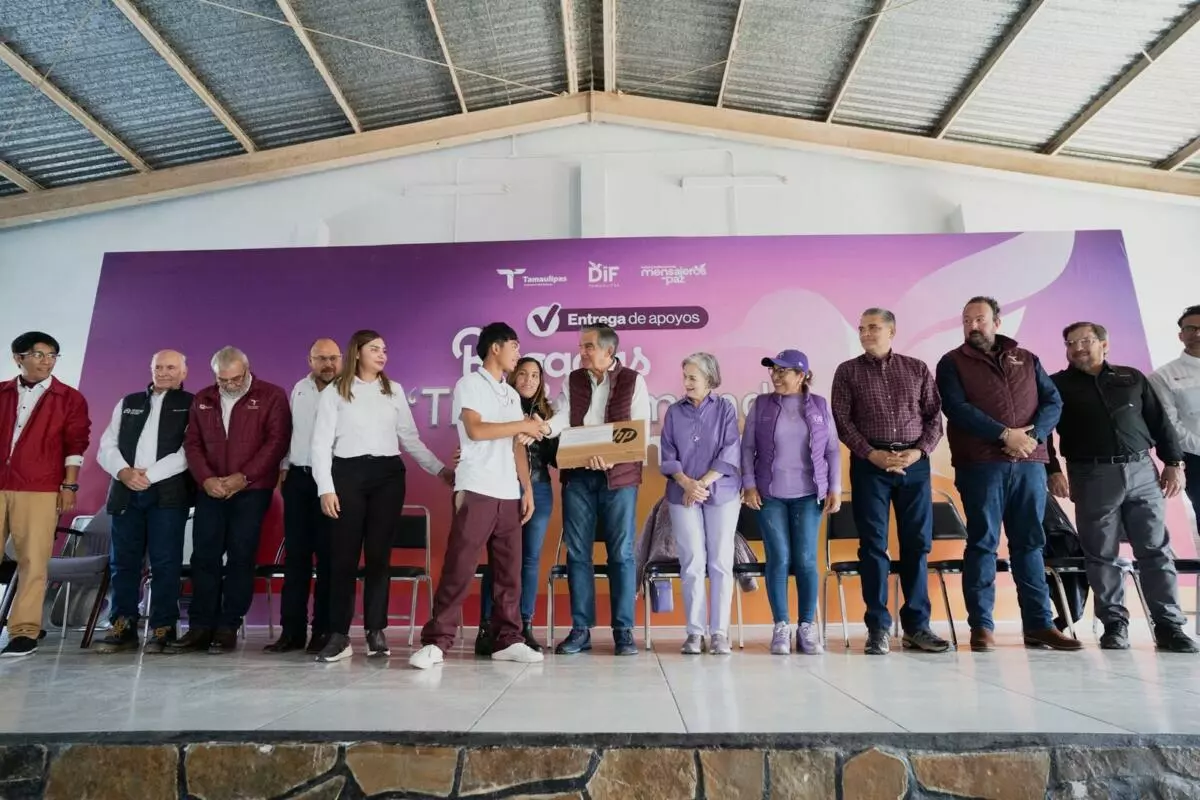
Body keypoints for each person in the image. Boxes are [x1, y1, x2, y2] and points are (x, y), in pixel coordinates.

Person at [934, 297, 1079, 652]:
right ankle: (981, 627)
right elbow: (956, 407)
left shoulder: (1027, 359)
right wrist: (1004, 435)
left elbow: (1053, 402)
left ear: (997, 322)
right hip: (980, 464)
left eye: (979, 319)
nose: (972, 325)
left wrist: (1032, 437)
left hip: (1029, 464)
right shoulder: (952, 362)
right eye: (967, 320)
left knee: (1030, 543)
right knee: (983, 543)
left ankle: (1039, 624)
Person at [1047, 321, 1196, 653]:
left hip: (1142, 470)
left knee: (1155, 548)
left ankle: (1169, 625)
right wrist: (1052, 470)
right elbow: (1042, 432)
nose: (1077, 348)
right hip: (1091, 473)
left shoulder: (1131, 378)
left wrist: (1173, 462)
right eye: (1070, 343)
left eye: (1085, 341)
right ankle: (1114, 625)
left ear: (1104, 344)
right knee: (1101, 553)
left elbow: (1160, 422)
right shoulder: (1056, 385)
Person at [410, 323, 547, 669]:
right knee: (460, 567)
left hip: (508, 492)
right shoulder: (469, 384)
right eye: (514, 346)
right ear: (495, 348)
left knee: (509, 573)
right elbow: (475, 429)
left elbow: (517, 446)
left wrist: (526, 488)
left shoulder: (511, 395)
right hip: (477, 488)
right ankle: (437, 643)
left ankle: (508, 639)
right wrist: (523, 425)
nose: (518, 353)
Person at [312, 330, 453, 663]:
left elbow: (409, 437)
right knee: (343, 557)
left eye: (384, 350)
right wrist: (326, 488)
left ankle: (376, 630)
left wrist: (440, 469)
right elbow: (320, 443)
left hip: (387, 476)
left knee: (379, 557)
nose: (382, 355)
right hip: (346, 474)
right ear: (357, 352)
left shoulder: (394, 390)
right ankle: (339, 635)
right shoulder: (335, 391)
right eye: (374, 349)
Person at [831, 308, 948, 656]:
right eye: (862, 328)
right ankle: (878, 628)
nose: (866, 333)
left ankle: (917, 626)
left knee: (917, 544)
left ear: (892, 331)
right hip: (870, 466)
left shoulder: (916, 369)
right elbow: (843, 421)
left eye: (874, 327)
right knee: (873, 545)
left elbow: (934, 418)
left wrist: (918, 452)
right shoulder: (848, 371)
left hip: (914, 465)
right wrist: (872, 454)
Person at [170, 347, 290, 654]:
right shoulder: (203, 398)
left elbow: (276, 443)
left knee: (241, 557)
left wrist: (243, 477)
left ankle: (227, 626)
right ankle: (200, 626)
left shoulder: (272, 396)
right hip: (211, 490)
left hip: (252, 490)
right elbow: (192, 444)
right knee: (204, 557)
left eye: (235, 379)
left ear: (247, 370)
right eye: (223, 380)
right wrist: (206, 479)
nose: (230, 385)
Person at [545, 324, 652, 656]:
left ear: (609, 351)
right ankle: (581, 629)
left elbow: (639, 431)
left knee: (621, 553)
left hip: (618, 478)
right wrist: (543, 427)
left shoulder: (633, 381)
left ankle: (623, 631)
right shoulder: (574, 380)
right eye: (581, 346)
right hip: (578, 476)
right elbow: (563, 416)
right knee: (578, 552)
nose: (582, 352)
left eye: (589, 347)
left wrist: (610, 456)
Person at [743, 349, 841, 656]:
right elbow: (746, 448)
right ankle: (781, 626)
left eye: (782, 371)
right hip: (769, 494)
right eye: (773, 370)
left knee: (807, 559)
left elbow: (832, 450)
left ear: (801, 375)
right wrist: (749, 484)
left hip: (809, 495)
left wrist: (835, 487)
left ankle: (807, 626)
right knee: (779, 558)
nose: (775, 376)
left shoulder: (819, 405)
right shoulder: (761, 404)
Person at [95, 350, 194, 654]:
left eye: (171, 367)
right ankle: (122, 625)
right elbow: (107, 445)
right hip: (126, 491)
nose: (163, 372)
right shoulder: (129, 402)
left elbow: (189, 451)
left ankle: (163, 627)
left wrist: (148, 476)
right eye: (158, 367)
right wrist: (124, 472)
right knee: (123, 562)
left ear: (184, 372)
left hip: (168, 494)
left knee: (165, 563)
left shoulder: (192, 404)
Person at [0, 332, 89, 658]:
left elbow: (75, 444)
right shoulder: (2, 392)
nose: (47, 361)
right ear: (18, 358)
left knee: (33, 561)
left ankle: (24, 631)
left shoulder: (69, 398)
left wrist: (69, 485)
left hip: (39, 488)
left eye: (52, 355)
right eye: (39, 354)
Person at [475, 356, 558, 655]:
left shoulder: (548, 413)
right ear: (513, 376)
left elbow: (555, 459)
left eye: (535, 375)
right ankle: (488, 626)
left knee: (530, 560)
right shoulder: (500, 405)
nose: (528, 380)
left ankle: (524, 625)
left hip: (540, 488)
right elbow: (479, 440)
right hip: (502, 487)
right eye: (523, 373)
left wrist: (542, 431)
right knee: (499, 558)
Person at [659, 353, 741, 655]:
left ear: (709, 379)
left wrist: (701, 484)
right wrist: (687, 483)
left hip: (721, 492)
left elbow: (730, 449)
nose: (687, 382)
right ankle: (695, 632)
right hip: (682, 493)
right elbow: (667, 452)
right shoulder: (674, 412)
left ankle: (719, 633)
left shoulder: (725, 408)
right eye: (685, 377)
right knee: (691, 562)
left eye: (692, 377)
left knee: (720, 562)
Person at [265, 338, 342, 655]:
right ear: (310, 361)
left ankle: (322, 631)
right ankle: (291, 632)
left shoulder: (349, 390)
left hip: (333, 482)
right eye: (321, 358)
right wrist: (284, 467)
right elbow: (290, 433)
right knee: (296, 558)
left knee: (328, 558)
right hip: (298, 479)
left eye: (333, 358)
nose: (328, 364)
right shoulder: (299, 389)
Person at [1149, 305, 1200, 535]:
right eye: (1191, 328)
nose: (1197, 333)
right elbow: (1170, 426)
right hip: (1196, 459)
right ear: (1181, 335)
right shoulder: (1163, 376)